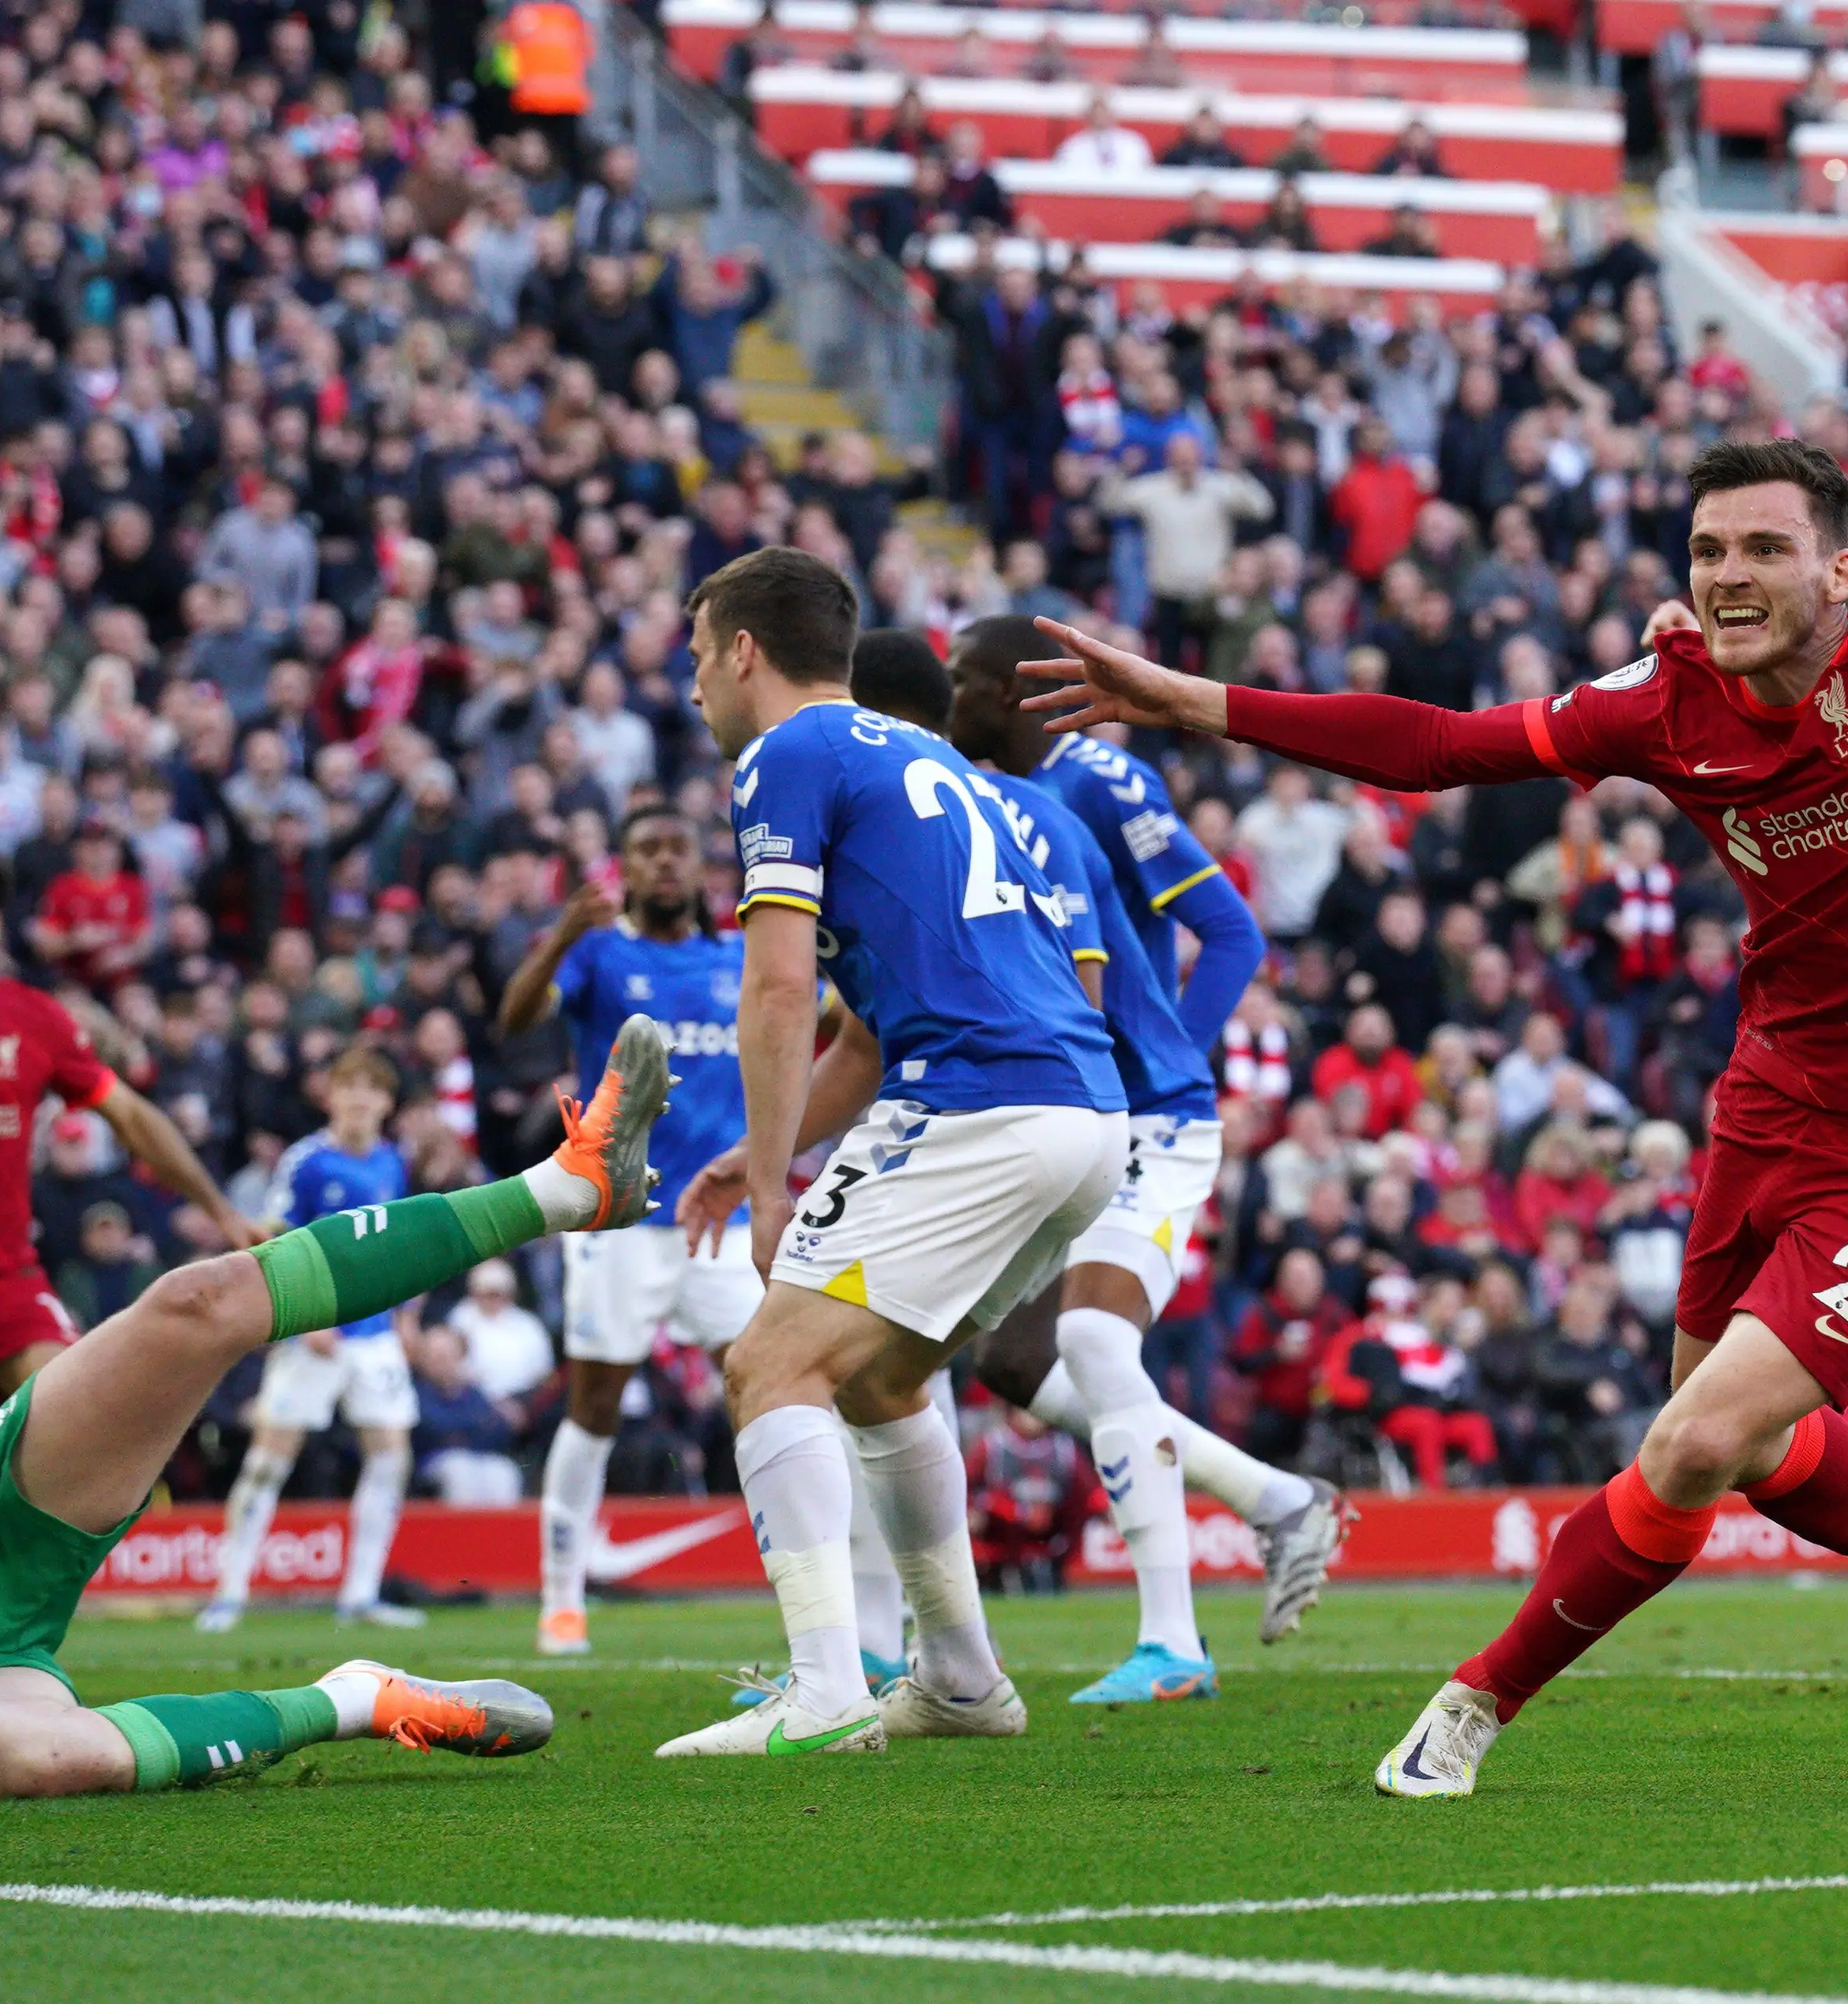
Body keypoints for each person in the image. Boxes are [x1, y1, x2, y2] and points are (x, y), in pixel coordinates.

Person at [1022, 225, 1848, 1799]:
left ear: (1839, 571)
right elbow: (1438, 745)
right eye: (1710, 550)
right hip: (1768, 1105)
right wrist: (1191, 701)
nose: (1730, 574)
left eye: (1766, 548)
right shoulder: (1663, 702)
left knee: (1694, 1443)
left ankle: (1473, 1703)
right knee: (1738, 1437)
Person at [0, 1013, 671, 1799]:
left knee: (203, 1302)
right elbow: (284, 1216)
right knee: (44, 1758)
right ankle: (349, 1695)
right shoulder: (309, 1158)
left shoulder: (387, 1158)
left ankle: (563, 1187)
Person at [651, 549, 1129, 1759]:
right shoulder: (935, 762)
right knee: (877, 1381)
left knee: (769, 1363)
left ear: (744, 651)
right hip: (1083, 1115)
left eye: (698, 654)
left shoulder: (787, 754)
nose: (694, 684)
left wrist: (772, 1190)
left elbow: (778, 989)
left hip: (980, 1105)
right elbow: (862, 1037)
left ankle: (823, 1689)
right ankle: (962, 1677)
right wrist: (772, 1147)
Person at [936, 623, 1351, 1664]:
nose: (947, 697)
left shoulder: (1100, 781)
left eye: (960, 680)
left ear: (1009, 691)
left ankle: (1170, 1642)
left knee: (1090, 1340)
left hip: (1142, 1110)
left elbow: (1234, 933)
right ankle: (1280, 1499)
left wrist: (1166, 1057)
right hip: (1052, 1109)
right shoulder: (973, 791)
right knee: (1011, 1359)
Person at [494, 805, 889, 1667]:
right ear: (624, 867)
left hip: (727, 1222)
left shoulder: (741, 957)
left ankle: (829, 1608)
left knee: (780, 1389)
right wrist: (562, 935)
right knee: (594, 1405)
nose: (665, 862)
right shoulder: (600, 953)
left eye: (678, 848)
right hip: (617, 1219)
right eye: (648, 850)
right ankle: (561, 1600)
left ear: (704, 868)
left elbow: (834, 1026)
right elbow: (514, 1021)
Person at [0, 833, 264, 1403]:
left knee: (80, 1410)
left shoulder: (34, 1019)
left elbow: (133, 1119)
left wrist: (222, 1212)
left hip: (0, 1287)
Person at [197, 1047, 428, 1633]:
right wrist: (308, 1316)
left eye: (370, 1088)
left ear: (386, 1101)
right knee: (269, 1460)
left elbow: (402, 1244)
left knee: (391, 1455)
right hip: (316, 1330)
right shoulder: (306, 1162)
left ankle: (361, 1594)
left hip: (374, 1332)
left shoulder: (393, 1161)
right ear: (331, 1097)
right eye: (348, 1087)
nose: (358, 1099)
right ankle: (229, 1593)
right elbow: (276, 1242)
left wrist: (406, 1315)